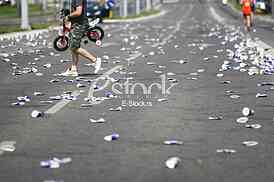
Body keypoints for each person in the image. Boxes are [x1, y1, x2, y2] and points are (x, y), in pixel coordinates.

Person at [61, 0, 101, 77]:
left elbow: (79, 12)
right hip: (76, 24)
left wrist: (68, 17)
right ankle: (73, 69)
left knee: (74, 46)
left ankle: (95, 60)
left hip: (79, 25)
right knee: (72, 45)